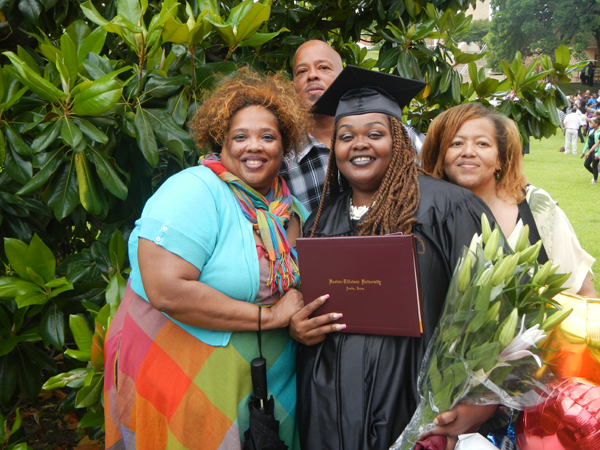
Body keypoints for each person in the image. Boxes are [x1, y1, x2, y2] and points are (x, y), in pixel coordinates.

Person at [290, 66, 498, 450]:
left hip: (411, 397)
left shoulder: (447, 206)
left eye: (375, 134)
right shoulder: (323, 216)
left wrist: (479, 400)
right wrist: (298, 328)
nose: (359, 145)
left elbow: (493, 308)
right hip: (328, 403)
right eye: (346, 137)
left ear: (399, 141)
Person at [103, 69, 312, 449]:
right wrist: (271, 317)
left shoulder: (293, 210)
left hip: (269, 381)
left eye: (268, 137)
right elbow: (167, 291)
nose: (254, 146)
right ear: (221, 142)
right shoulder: (193, 191)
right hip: (185, 374)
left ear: (285, 145)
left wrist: (298, 321)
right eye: (240, 137)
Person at [421, 102, 597, 297]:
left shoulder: (536, 206)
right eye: (456, 143)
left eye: (482, 144)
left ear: (500, 159)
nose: (468, 151)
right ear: (439, 156)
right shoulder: (421, 214)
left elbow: (584, 292)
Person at [280, 40, 425, 215]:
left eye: (323, 67)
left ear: (342, 78)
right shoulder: (284, 158)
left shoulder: (403, 138)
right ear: (292, 88)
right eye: (302, 71)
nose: (312, 75)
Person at [583, 117, 600, 183]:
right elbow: (588, 142)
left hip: (596, 151)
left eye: (592, 123)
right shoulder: (591, 131)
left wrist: (598, 153)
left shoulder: (599, 132)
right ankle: (595, 174)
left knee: (594, 165)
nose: (590, 124)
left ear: (596, 124)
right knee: (586, 164)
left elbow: (598, 144)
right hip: (591, 150)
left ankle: (595, 179)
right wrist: (584, 151)